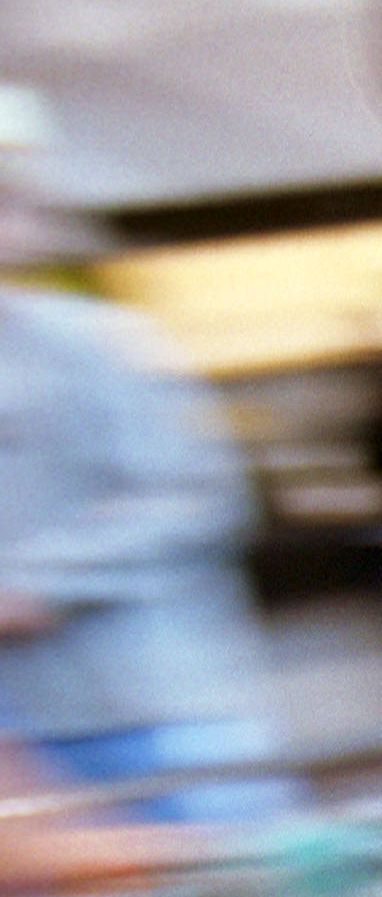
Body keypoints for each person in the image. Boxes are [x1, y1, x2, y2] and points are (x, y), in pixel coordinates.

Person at [0, 90, 280, 817]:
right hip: (29, 740)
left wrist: (38, 583)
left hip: (160, 711)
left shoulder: (95, 339)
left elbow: (200, 496)